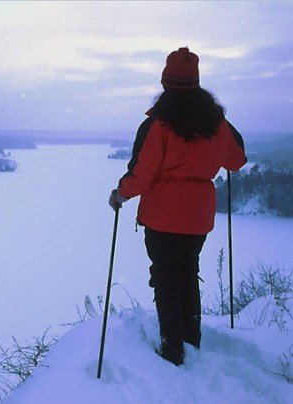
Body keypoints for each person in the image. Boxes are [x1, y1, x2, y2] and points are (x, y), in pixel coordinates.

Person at [108, 47, 247, 366]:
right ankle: (190, 338)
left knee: (166, 277)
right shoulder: (215, 123)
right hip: (197, 216)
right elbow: (236, 160)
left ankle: (172, 347)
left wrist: (120, 194)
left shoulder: (159, 124)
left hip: (162, 215)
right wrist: (222, 121)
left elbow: (143, 173)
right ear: (196, 82)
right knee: (187, 271)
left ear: (166, 83)